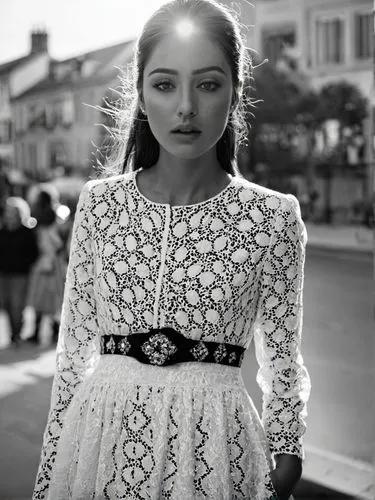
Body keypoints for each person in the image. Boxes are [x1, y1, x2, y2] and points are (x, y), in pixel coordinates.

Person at [33, 1, 311, 498]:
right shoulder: (100, 205)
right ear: (140, 93)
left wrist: (285, 461)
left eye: (207, 84)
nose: (186, 107)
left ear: (236, 90)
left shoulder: (272, 217)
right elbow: (72, 358)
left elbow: (284, 363)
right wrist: (55, 466)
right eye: (164, 84)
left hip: (216, 457)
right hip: (99, 449)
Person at [25, 186, 67, 345]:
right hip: (55, 263)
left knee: (40, 298)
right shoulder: (58, 217)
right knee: (54, 298)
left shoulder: (37, 219)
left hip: (43, 261)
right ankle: (54, 333)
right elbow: (60, 242)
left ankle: (37, 333)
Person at [0, 197, 39, 346]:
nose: (9, 214)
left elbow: (33, 253)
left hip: (20, 274)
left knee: (17, 305)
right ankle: (13, 333)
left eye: (12, 211)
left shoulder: (26, 232)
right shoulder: (2, 231)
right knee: (7, 304)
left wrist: (24, 263)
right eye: (8, 211)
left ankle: (16, 334)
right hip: (4, 273)